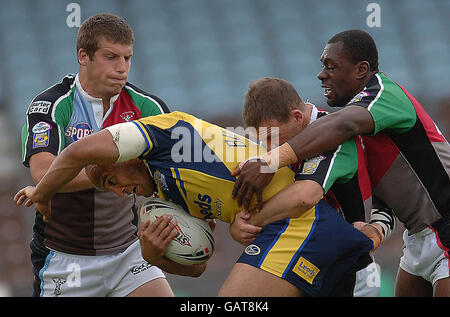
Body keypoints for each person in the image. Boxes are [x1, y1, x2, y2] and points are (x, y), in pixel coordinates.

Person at [15, 110, 374, 297]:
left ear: (122, 155)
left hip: (303, 226)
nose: (119, 192)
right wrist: (154, 257)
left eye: (111, 180)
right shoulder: (164, 195)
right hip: (290, 233)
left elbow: (78, 150)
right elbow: (200, 263)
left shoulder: (165, 134)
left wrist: (43, 192)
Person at [232, 30, 450, 297]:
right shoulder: (361, 129)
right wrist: (378, 230)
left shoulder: (383, 93)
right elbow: (386, 193)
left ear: (361, 70)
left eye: (330, 66)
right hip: (418, 237)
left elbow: (340, 123)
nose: (321, 75)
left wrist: (270, 162)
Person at [21, 13, 173, 297]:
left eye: (127, 58)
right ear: (83, 56)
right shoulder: (51, 105)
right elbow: (43, 174)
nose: (122, 68)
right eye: (111, 57)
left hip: (129, 252)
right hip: (65, 259)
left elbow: (176, 170)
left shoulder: (148, 107)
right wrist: (120, 172)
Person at [226, 77, 394, 297]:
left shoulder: (334, 135)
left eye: (271, 137)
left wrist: (250, 222)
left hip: (347, 270)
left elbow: (305, 196)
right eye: (262, 140)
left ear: (297, 117)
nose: (268, 149)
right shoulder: (281, 139)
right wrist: (236, 222)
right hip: (302, 260)